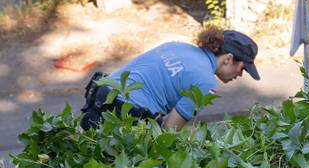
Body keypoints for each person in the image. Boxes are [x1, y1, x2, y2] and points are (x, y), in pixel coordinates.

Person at [80, 28, 260, 131]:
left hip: (98, 99)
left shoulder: (177, 45)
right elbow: (169, 129)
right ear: (228, 58)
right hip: (124, 119)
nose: (240, 75)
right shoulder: (206, 84)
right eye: (242, 68)